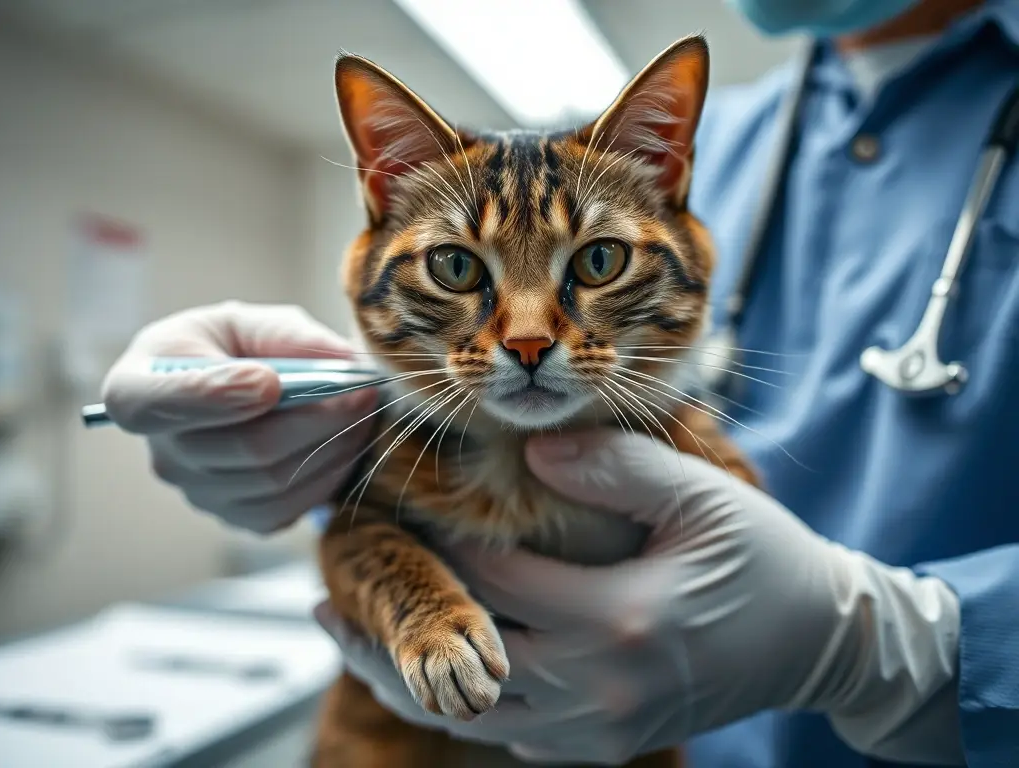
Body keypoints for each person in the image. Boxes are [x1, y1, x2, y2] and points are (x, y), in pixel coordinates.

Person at [101, 0, 1019, 765]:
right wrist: (284, 440)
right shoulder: (735, 130)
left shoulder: (649, 147)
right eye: (464, 271)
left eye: (600, 262)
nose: (531, 337)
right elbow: (363, 523)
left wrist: (895, 645)